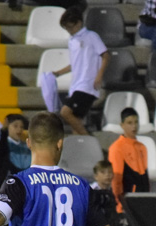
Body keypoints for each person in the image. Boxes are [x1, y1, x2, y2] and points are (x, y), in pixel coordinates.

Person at [50, 7, 108, 136]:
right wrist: (58, 73)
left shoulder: (91, 36)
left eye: (70, 27)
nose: (69, 31)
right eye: (67, 28)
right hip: (76, 85)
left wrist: (99, 75)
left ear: (79, 23)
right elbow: (75, 63)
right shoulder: (72, 41)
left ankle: (88, 140)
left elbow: (105, 55)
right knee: (75, 126)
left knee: (65, 112)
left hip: (87, 85)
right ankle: (83, 148)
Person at [107, 107, 151, 208]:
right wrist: (119, 205)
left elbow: (145, 176)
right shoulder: (117, 147)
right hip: (127, 201)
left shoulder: (142, 147)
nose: (134, 126)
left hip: (143, 200)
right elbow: (116, 179)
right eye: (129, 123)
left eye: (136, 122)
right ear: (122, 125)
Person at [0, 114, 31, 185]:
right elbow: (1, 153)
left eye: (21, 127)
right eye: (15, 126)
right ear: (8, 127)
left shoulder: (26, 146)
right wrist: (3, 132)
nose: (19, 129)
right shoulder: (3, 144)